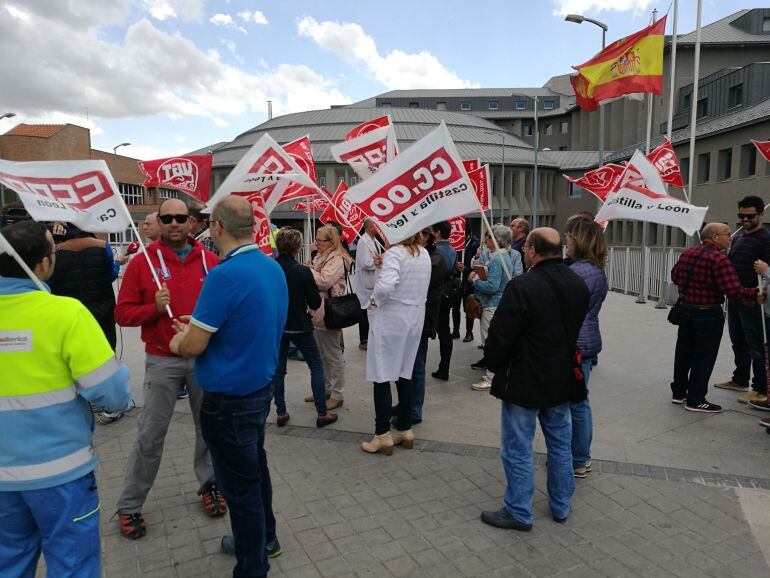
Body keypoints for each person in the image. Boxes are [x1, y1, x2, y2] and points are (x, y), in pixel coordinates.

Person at [0, 220, 132, 577]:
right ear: (44, 262)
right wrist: (122, 383)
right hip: (60, 473)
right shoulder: (66, 313)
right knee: (73, 566)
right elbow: (111, 394)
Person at [169, 195, 288, 577]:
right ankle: (265, 538)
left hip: (229, 401)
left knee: (240, 489)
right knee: (255, 469)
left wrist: (181, 340)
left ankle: (252, 566)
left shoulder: (224, 274)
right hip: (259, 389)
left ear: (217, 227)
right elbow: (247, 322)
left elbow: (193, 346)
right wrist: (200, 325)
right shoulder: (271, 267)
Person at [113, 198, 223, 540]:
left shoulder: (210, 261)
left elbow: (225, 310)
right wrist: (153, 309)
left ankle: (210, 484)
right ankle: (130, 504)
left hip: (203, 358)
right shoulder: (142, 263)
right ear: (159, 223)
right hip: (163, 359)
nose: (174, 223)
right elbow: (122, 314)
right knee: (150, 433)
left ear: (191, 222)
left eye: (180, 217)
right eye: (167, 218)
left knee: (209, 429)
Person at [480, 228, 589, 531]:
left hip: (524, 379)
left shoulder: (522, 286)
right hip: (561, 378)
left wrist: (493, 363)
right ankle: (561, 504)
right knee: (560, 444)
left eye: (526, 247)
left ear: (531, 250)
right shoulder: (577, 284)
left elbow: (501, 334)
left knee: (518, 447)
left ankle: (519, 510)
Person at [672, 223, 757, 413]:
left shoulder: (688, 253)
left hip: (686, 310)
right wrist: (754, 293)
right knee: (704, 356)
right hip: (708, 313)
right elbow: (733, 290)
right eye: (727, 234)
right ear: (715, 237)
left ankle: (678, 392)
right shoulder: (718, 258)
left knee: (683, 352)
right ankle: (696, 400)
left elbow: (675, 276)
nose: (731, 238)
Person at [361, 232, 431, 454]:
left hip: (391, 320)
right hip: (414, 319)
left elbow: (386, 287)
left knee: (381, 375)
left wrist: (372, 302)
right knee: (404, 373)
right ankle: (405, 427)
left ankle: (382, 434)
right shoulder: (423, 254)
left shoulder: (395, 253)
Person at [272, 227, 338, 428]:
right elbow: (315, 303)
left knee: (279, 370)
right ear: (297, 247)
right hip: (300, 324)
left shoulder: (270, 268)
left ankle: (281, 411)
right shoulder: (302, 271)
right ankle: (322, 412)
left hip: (278, 325)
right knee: (316, 365)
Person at [714, 196, 770, 404]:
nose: (745, 219)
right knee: (738, 341)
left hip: (755, 302)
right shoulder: (737, 239)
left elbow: (768, 272)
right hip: (735, 299)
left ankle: (761, 388)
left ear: (761, 214)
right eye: (741, 215)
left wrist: (762, 292)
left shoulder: (766, 239)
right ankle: (740, 379)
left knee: (756, 345)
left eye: (750, 216)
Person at [565, 219, 608, 477]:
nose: (566, 240)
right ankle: (578, 456)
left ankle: (579, 458)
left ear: (579, 240)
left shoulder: (580, 272)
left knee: (576, 404)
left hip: (576, 344)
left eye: (569, 236)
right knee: (578, 402)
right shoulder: (592, 269)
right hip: (586, 341)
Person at [399, 228, 449, 426]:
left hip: (422, 318)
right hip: (409, 317)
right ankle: (405, 403)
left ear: (425, 236)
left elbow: (419, 285)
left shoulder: (433, 258)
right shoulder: (420, 254)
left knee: (417, 365)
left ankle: (414, 410)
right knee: (406, 364)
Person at [48, 222, 121, 350]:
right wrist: (118, 263)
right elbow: (110, 276)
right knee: (104, 350)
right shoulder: (103, 246)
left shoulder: (56, 250)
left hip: (70, 313)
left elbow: (50, 282)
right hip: (102, 311)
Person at [470, 224, 522, 391]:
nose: (485, 240)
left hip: (492, 305)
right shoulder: (502, 256)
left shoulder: (497, 259)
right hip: (498, 304)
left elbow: (492, 286)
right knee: (494, 341)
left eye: (488, 237)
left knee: (490, 342)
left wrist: (476, 280)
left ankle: (492, 377)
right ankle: (495, 374)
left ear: (497, 240)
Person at [307, 225, 353, 410]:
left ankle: (337, 394)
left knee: (333, 355)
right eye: (316, 240)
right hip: (318, 310)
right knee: (320, 354)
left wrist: (309, 270)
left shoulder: (337, 259)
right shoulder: (321, 256)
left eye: (321, 240)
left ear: (331, 241)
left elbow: (324, 282)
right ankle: (324, 389)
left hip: (329, 312)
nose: (317, 243)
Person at [431, 221, 458, 381]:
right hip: (448, 293)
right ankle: (444, 367)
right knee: (445, 330)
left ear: (438, 233)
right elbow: (453, 270)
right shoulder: (452, 250)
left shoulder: (435, 250)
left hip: (436, 294)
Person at [353, 219, 380, 351]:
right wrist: (378, 261)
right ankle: (364, 340)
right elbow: (365, 263)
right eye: (376, 225)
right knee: (364, 311)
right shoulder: (363, 242)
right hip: (365, 284)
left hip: (372, 282)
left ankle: (370, 337)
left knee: (371, 310)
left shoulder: (374, 241)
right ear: (369, 227)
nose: (378, 227)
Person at [461, 226, 481, 342]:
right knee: (459, 306)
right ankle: (456, 330)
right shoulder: (457, 244)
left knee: (469, 305)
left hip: (469, 279)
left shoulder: (475, 244)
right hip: (459, 278)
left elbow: (476, 264)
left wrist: (466, 268)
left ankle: (469, 332)